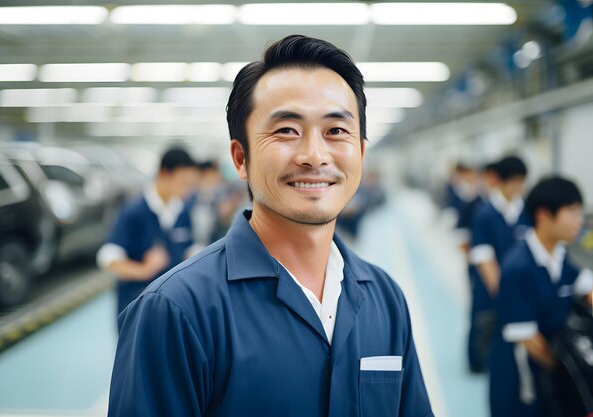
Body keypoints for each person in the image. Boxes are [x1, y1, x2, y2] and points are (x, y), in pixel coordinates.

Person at [108, 35, 433, 417]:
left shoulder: (385, 299)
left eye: (336, 131)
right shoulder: (176, 311)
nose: (314, 156)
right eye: (286, 131)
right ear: (240, 157)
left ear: (360, 154)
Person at [489, 176, 593, 417]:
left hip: (548, 381)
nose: (579, 221)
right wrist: (571, 373)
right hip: (521, 384)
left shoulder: (560, 257)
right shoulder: (518, 267)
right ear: (544, 215)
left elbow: (586, 286)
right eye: (572, 212)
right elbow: (530, 342)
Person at [96, 148, 199, 320]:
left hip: (172, 307)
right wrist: (144, 270)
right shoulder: (133, 212)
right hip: (136, 308)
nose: (187, 190)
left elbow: (190, 247)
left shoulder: (182, 211)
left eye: (190, 185)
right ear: (164, 174)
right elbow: (108, 258)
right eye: (183, 183)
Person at [467, 156, 530, 373]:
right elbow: (484, 259)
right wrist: (505, 295)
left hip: (519, 292)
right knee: (484, 333)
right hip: (491, 290)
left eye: (522, 181)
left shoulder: (527, 212)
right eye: (515, 181)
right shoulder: (485, 213)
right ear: (502, 181)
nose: (520, 186)